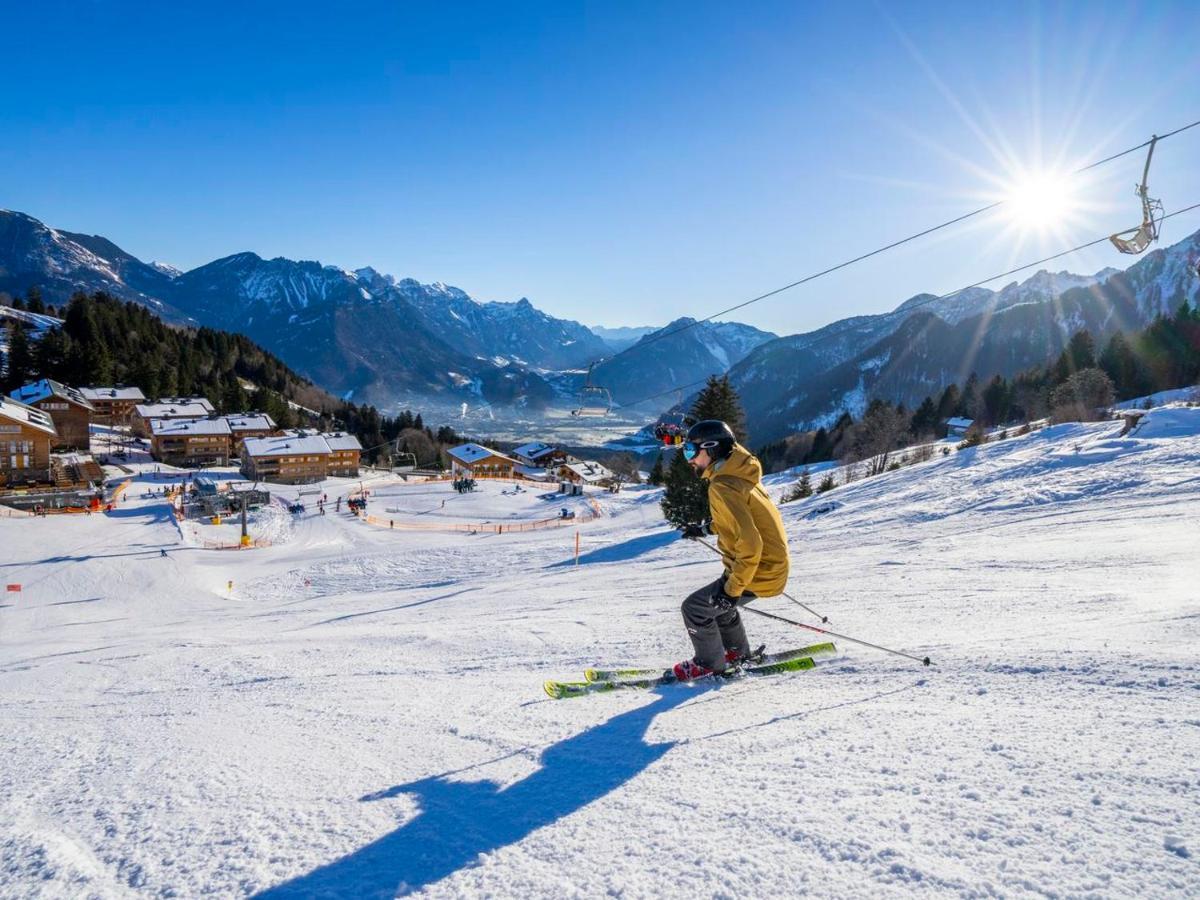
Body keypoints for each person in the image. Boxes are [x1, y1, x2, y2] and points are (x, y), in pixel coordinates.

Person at [673, 419, 790, 680]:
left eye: (691, 451)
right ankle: (738, 654)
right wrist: (705, 529)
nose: (689, 459)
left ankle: (709, 664)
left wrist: (733, 590)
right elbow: (738, 522)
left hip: (758, 569)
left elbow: (750, 542)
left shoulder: (722, 485)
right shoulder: (739, 475)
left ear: (711, 449)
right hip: (768, 566)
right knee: (721, 605)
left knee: (695, 608)